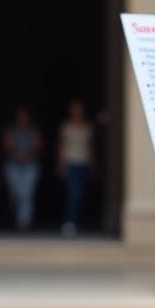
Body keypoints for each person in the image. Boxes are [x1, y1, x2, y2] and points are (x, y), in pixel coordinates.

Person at [2, 107, 42, 232]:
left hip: (30, 166)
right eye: (20, 116)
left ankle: (23, 223)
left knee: (26, 193)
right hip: (13, 165)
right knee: (15, 193)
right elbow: (6, 146)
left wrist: (28, 154)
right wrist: (16, 153)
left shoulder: (33, 131)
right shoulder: (11, 131)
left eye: (25, 116)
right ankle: (16, 216)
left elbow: (39, 146)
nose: (23, 119)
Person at [57, 99, 93, 238]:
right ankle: (69, 223)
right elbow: (62, 146)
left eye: (79, 109)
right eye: (74, 109)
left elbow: (90, 147)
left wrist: (93, 164)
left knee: (81, 194)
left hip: (84, 163)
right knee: (73, 194)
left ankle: (77, 221)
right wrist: (61, 164)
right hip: (70, 163)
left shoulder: (88, 127)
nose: (77, 112)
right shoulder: (66, 127)